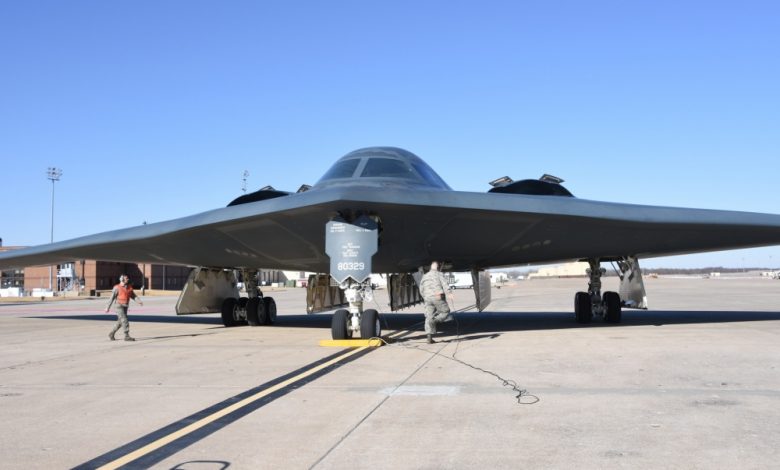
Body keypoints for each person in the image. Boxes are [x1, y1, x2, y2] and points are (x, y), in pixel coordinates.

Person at [419, 261, 454, 344]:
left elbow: (421, 289)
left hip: (427, 298)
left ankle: (429, 338)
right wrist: (449, 293)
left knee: (429, 316)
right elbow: (444, 284)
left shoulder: (425, 276)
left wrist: (425, 297)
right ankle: (435, 321)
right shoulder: (439, 274)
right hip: (437, 296)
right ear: (438, 267)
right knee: (445, 311)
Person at [105, 274, 143, 341]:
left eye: (128, 278)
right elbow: (112, 298)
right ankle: (126, 336)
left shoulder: (129, 287)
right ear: (122, 279)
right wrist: (107, 307)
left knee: (120, 322)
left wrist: (139, 301)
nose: (128, 279)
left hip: (125, 306)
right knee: (125, 320)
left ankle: (111, 333)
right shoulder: (117, 287)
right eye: (126, 278)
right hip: (118, 306)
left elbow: (133, 296)